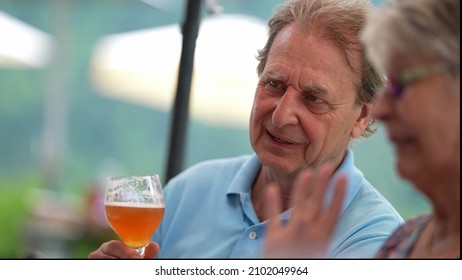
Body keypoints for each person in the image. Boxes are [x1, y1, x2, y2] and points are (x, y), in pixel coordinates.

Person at [88, 0, 403, 259]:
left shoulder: (378, 241)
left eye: (313, 99)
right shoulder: (188, 192)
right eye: (274, 84)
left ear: (361, 116)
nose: (281, 117)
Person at [263, 0, 460, 259]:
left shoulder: (376, 237)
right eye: (274, 83)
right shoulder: (403, 242)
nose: (381, 110)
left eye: (401, 85)